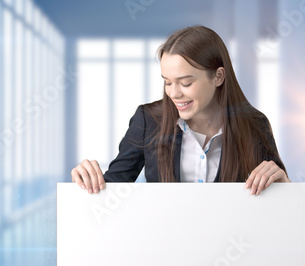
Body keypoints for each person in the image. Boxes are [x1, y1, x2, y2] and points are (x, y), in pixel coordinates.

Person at [71, 25, 290, 195]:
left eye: (185, 83)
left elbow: (280, 203)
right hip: (164, 248)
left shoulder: (253, 125)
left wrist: (284, 185)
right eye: (167, 82)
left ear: (218, 77)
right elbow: (113, 187)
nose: (174, 93)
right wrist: (86, 179)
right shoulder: (148, 121)